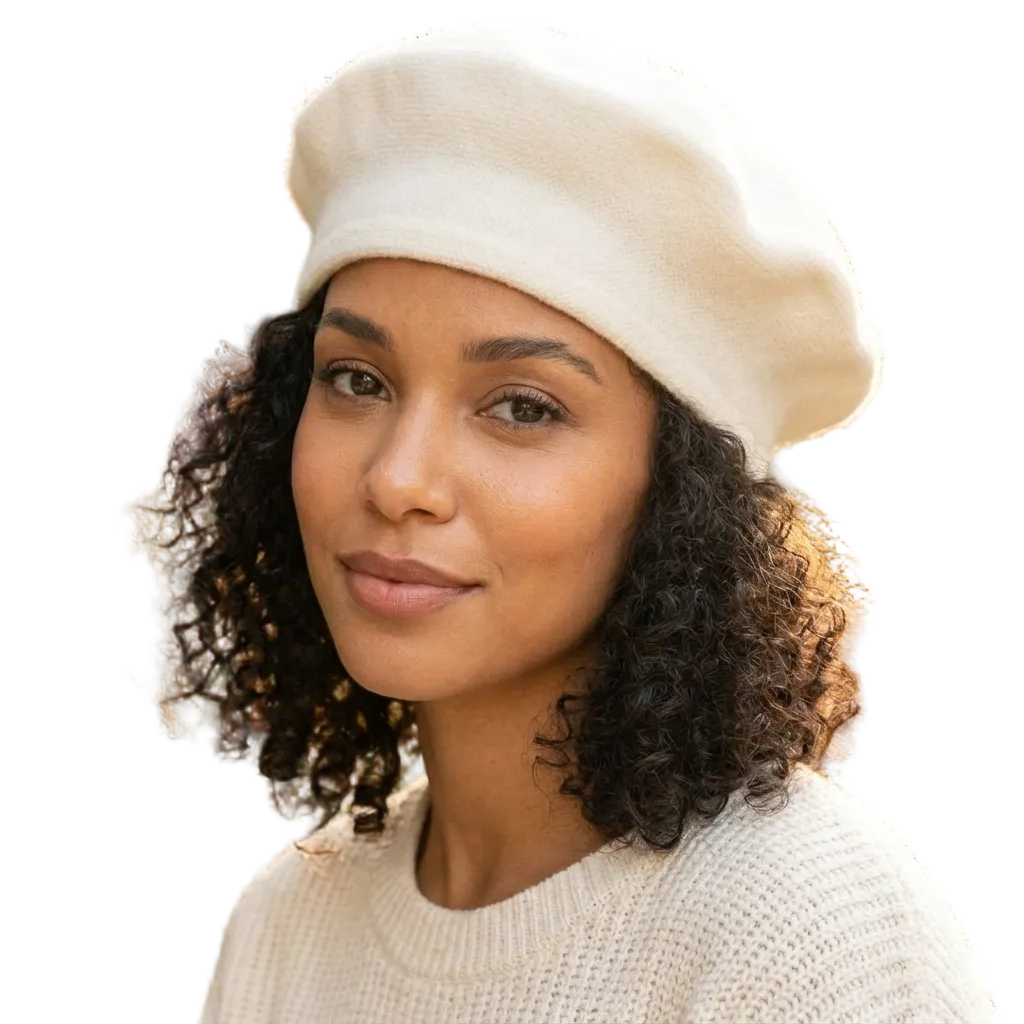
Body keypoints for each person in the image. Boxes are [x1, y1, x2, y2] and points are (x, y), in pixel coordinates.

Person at [135, 23, 996, 1024]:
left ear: (679, 496)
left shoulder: (808, 935)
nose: (399, 477)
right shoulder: (290, 927)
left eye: (522, 407)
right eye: (356, 380)